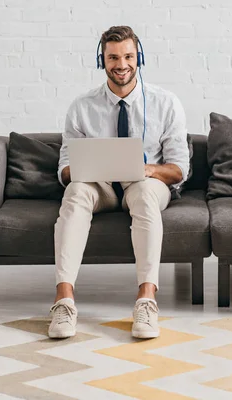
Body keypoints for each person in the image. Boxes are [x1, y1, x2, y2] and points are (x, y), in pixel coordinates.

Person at [48, 26, 189, 339]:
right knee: (74, 193)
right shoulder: (82, 107)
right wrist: (86, 167)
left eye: (128, 56)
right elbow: (64, 169)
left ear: (139, 57)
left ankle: (146, 300)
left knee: (147, 197)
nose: (121, 64)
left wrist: (147, 169)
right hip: (99, 185)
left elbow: (179, 169)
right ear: (102, 60)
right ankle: (64, 300)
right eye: (113, 57)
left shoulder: (166, 103)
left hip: (144, 182)